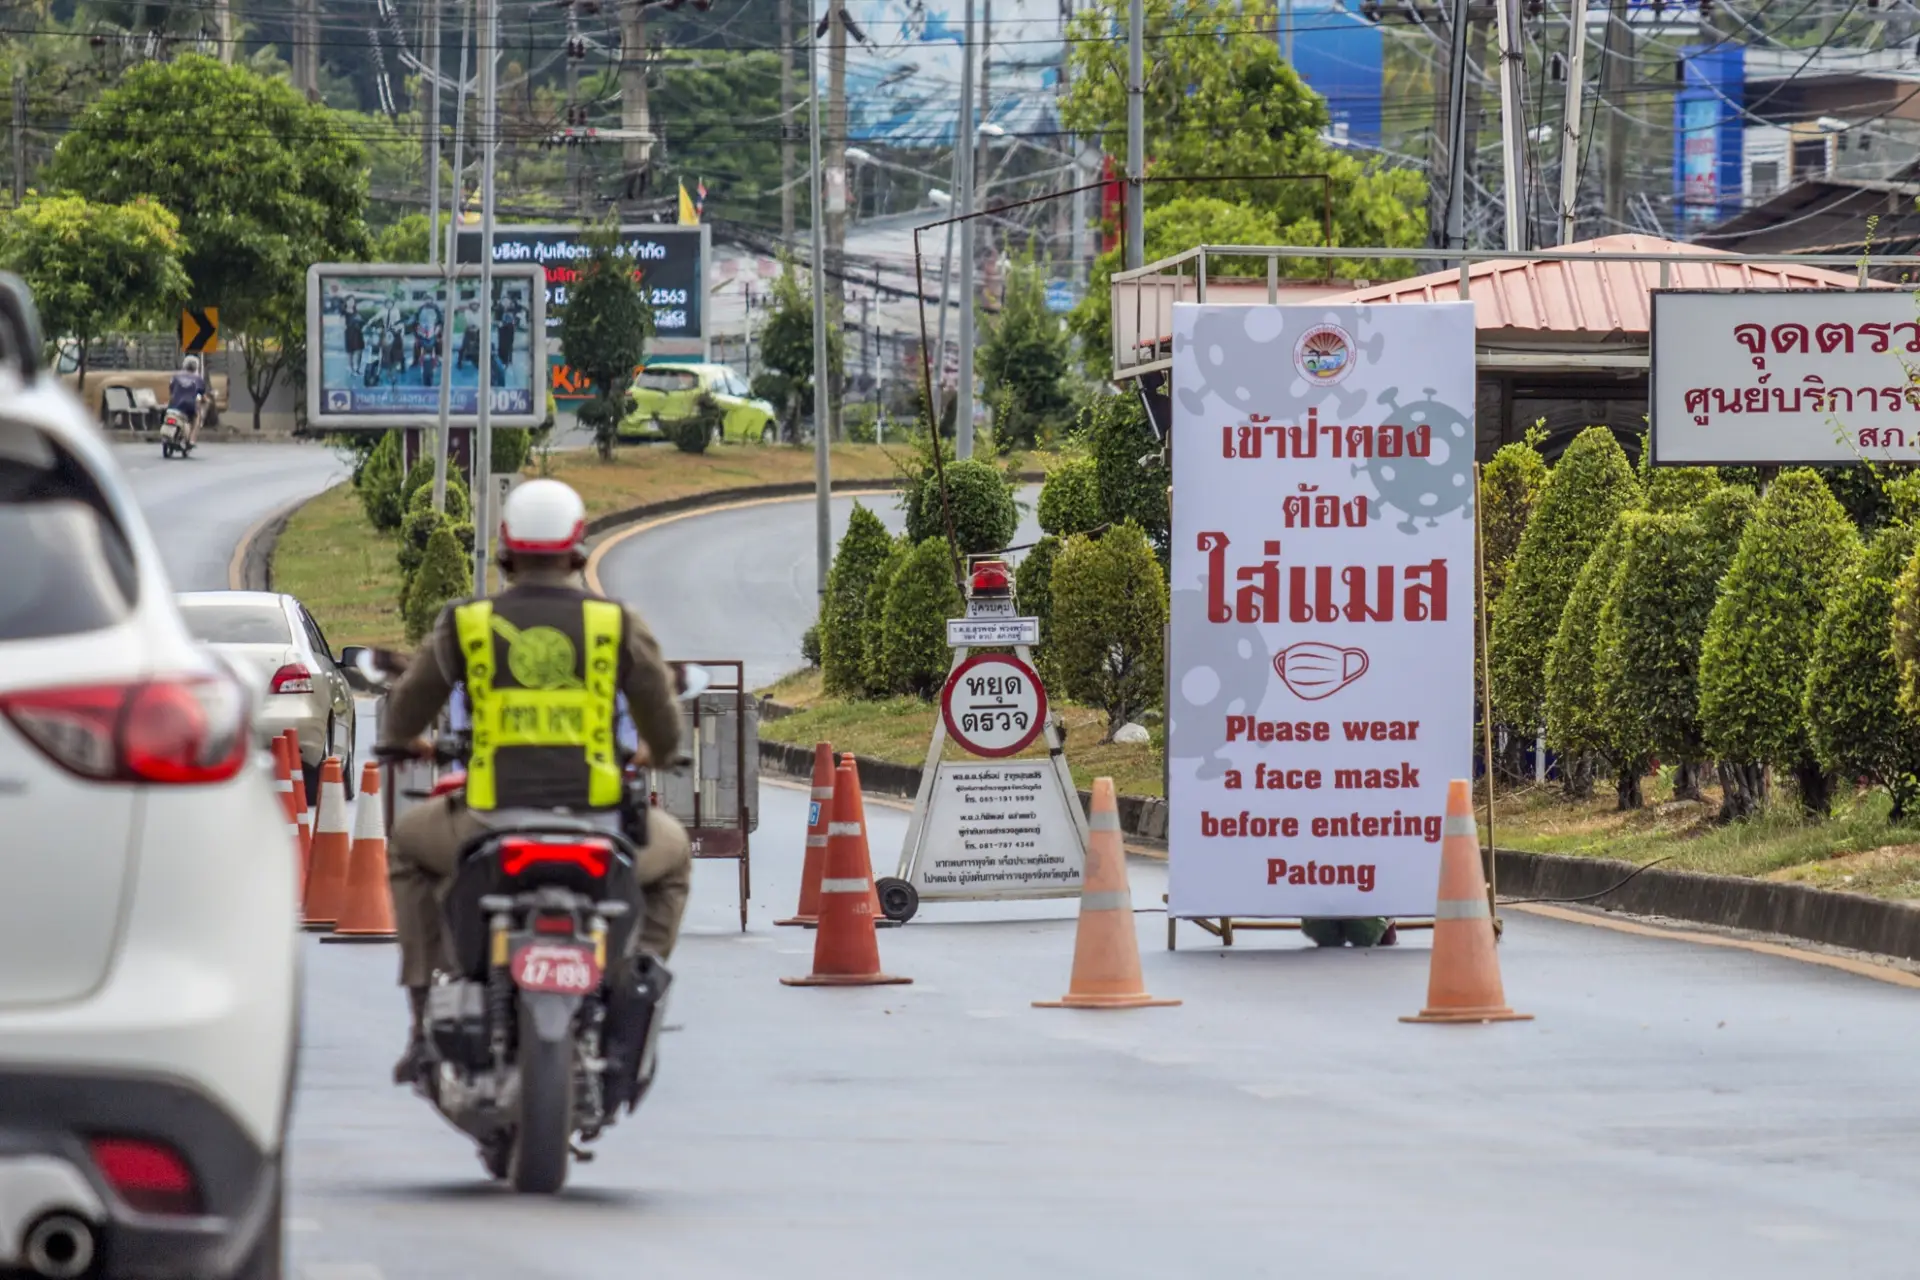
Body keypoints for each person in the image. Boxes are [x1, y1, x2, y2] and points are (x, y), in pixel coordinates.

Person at [376, 478, 693, 1085]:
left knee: (409, 849)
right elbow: (662, 718)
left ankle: (424, 1017)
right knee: (674, 857)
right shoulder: (614, 622)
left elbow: (406, 708)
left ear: (505, 550)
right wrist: (657, 752)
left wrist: (405, 743)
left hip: (488, 821)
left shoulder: (469, 623)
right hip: (601, 823)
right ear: (578, 550)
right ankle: (634, 984)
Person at [167, 355, 209, 447]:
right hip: (189, 405)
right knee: (197, 418)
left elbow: (171, 390)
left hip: (174, 404)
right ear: (196, 367)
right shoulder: (198, 379)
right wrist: (206, 401)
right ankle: (191, 440)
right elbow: (203, 396)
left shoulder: (175, 376)